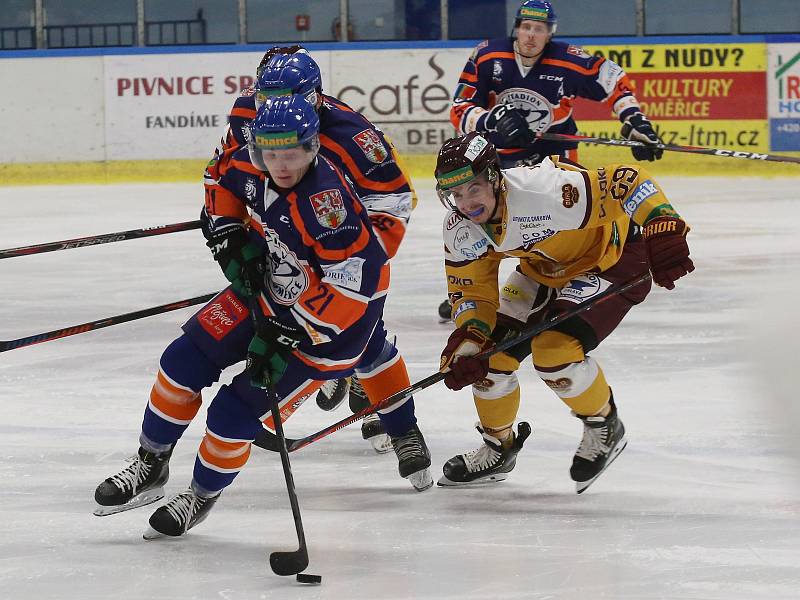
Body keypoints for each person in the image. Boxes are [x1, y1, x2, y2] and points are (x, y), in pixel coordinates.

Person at [93, 95, 432, 538]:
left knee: (232, 414)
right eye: (270, 153)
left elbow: (355, 292)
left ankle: (199, 496)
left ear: (313, 147)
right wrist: (231, 232)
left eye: (291, 153)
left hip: (331, 333)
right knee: (181, 361)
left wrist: (285, 333)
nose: (281, 164)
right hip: (275, 290)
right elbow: (218, 176)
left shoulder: (328, 208)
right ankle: (150, 463)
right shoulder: (252, 164)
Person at [434, 131, 693, 492]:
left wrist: (661, 224)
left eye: (473, 188)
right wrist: (469, 341)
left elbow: (628, 181)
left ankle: (604, 425)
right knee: (490, 360)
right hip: (545, 267)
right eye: (455, 194)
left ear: (494, 177)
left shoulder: (545, 191)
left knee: (554, 352)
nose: (466, 203)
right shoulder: (459, 229)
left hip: (613, 260)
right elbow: (473, 293)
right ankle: (499, 447)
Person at [215, 48, 417, 452]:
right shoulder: (248, 116)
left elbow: (395, 202)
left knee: (364, 339)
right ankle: (352, 393)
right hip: (285, 246)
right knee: (290, 328)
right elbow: (221, 169)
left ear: (315, 97)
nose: (273, 109)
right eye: (265, 98)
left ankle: (404, 431)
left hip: (345, 248)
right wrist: (227, 227)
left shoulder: (354, 135)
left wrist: (358, 264)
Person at [438, 0, 663, 322]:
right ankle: (476, 290)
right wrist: (490, 120)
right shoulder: (488, 56)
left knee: (566, 223)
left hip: (555, 160)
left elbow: (613, 79)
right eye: (526, 27)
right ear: (516, 28)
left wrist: (635, 119)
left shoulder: (568, 59)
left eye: (539, 29)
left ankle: (600, 262)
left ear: (550, 34)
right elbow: (459, 106)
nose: (531, 35)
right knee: (495, 224)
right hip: (501, 164)